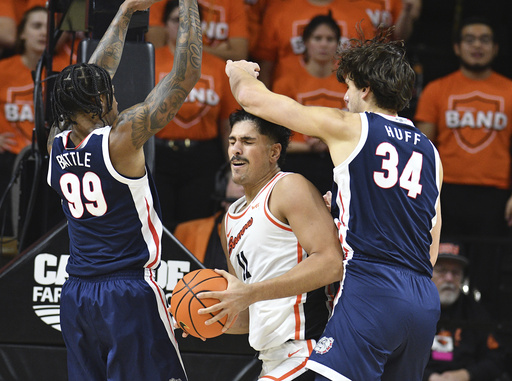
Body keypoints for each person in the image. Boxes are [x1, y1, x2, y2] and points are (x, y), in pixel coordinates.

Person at [217, 27, 443, 380]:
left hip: (373, 288)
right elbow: (430, 246)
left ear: (365, 89)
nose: (345, 98)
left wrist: (239, 73)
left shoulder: (351, 126)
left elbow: (256, 101)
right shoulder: (430, 151)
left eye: (349, 88)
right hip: (423, 300)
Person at [46, 0, 202, 379]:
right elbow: (185, 75)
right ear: (100, 102)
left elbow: (91, 77)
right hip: (127, 293)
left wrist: (127, 10)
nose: (115, 96)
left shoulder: (56, 142)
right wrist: (188, 6)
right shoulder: (120, 139)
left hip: (77, 294)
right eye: (109, 93)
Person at [195, 109, 344, 380]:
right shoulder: (229, 219)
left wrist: (250, 293)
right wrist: (200, 317)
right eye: (232, 141)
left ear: (274, 153)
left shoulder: (289, 188)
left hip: (309, 352)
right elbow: (248, 313)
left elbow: (331, 263)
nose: (236, 150)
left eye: (248, 142)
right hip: (271, 358)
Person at [414, 17, 512, 238]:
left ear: (496, 48)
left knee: (488, 268)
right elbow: (421, 150)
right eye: (470, 40)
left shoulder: (509, 91)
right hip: (445, 192)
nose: (477, 45)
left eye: (484, 40)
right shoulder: (436, 90)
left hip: (496, 193)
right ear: (457, 48)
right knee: (444, 269)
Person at [153, 0, 239, 230]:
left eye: (190, 22)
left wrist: (233, 167)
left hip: (203, 159)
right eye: (176, 20)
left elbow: (227, 125)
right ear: (164, 25)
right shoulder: (150, 61)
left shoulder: (218, 68)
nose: (183, 27)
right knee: (159, 226)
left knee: (195, 225)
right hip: (158, 157)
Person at [254, 0, 420, 88]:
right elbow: (265, 67)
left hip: (344, 102)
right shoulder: (279, 11)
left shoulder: (359, 15)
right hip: (288, 100)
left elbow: (367, 70)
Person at [272, 12, 346, 194]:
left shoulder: (349, 83)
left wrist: (328, 144)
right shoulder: (285, 83)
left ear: (338, 44)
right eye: (317, 38)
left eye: (330, 39)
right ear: (305, 42)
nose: (323, 44)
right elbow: (275, 137)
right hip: (297, 162)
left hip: (338, 164)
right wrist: (310, 146)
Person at [424, 241, 507, 381]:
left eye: (455, 272)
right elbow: (395, 355)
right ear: (429, 272)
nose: (449, 278)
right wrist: (428, 377)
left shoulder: (475, 311)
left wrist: (466, 375)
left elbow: (497, 358)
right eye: (442, 270)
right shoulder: (413, 309)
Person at [0, 6, 48, 237]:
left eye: (48, 28)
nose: (43, 33)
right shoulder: (3, 70)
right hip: (7, 163)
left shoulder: (60, 72)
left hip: (44, 164)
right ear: (21, 33)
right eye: (36, 26)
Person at [173, 162, 244, 270]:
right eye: (239, 182)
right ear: (222, 188)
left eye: (253, 185)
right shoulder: (187, 232)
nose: (245, 190)